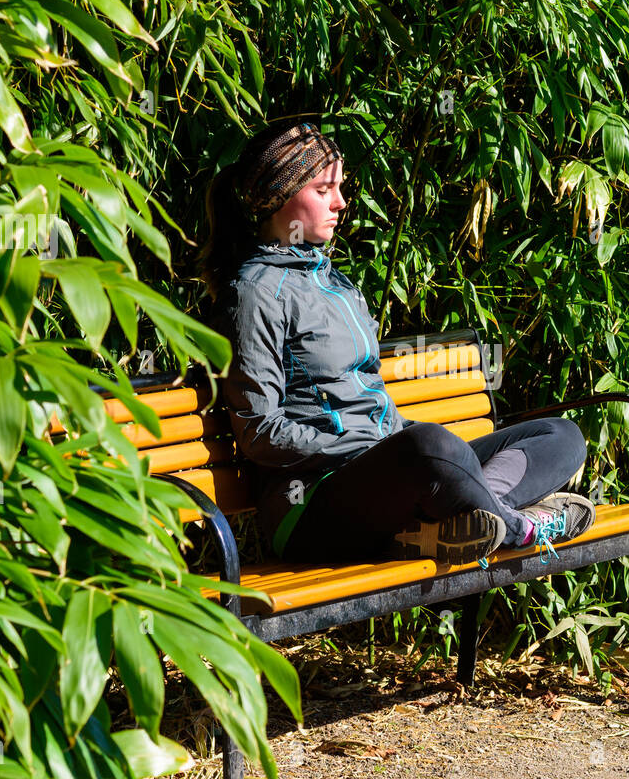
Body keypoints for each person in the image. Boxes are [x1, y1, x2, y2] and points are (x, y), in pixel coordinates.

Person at [196, 121, 596, 568]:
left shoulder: (334, 281)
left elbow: (366, 393)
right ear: (280, 194)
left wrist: (391, 441)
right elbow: (260, 434)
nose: (341, 203)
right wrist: (364, 444)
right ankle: (518, 526)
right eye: (324, 189)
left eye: (340, 187)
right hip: (312, 507)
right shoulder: (254, 294)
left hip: (387, 479)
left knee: (560, 434)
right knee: (431, 447)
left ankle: (451, 523)